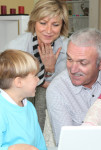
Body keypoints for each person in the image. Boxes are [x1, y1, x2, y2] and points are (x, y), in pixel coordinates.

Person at [5, 0, 69, 131]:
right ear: (34, 22)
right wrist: (45, 79)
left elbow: (64, 88)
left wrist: (50, 70)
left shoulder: (68, 48)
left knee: (45, 93)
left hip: (53, 101)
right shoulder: (16, 47)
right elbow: (9, 84)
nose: (48, 30)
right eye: (43, 23)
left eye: (55, 24)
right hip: (17, 98)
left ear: (62, 26)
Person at [46, 28, 101, 145]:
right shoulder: (57, 90)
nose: (73, 69)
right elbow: (67, 144)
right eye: (69, 59)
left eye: (83, 63)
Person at [0, 49, 47, 150]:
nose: (38, 79)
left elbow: (39, 142)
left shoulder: (29, 107)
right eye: (34, 76)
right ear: (19, 82)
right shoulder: (1, 109)